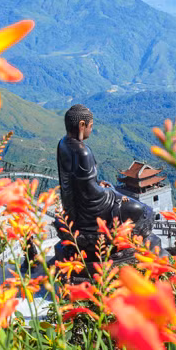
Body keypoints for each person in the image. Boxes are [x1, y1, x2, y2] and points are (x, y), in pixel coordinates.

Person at [55, 104, 163, 259]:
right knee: (144, 211)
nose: (91, 130)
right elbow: (90, 193)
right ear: (81, 125)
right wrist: (113, 193)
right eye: (90, 126)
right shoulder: (83, 152)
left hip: (74, 211)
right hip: (91, 212)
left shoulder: (62, 144)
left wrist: (99, 184)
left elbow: (81, 185)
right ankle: (125, 246)